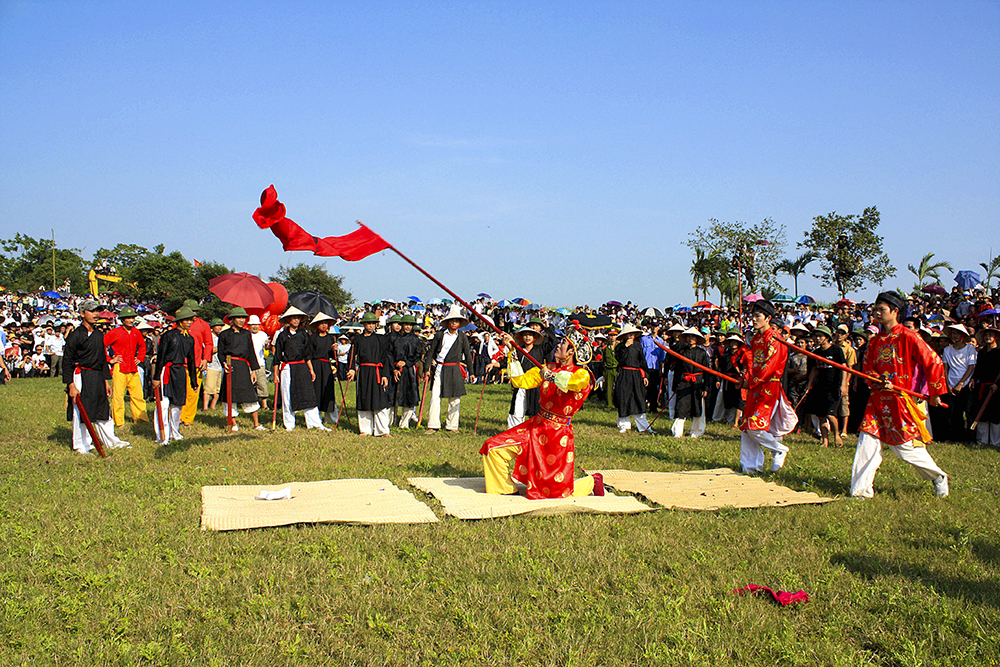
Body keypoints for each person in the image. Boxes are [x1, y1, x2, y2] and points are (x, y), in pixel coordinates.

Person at [480, 328, 605, 499]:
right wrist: (512, 351)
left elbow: (570, 384)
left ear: (571, 352)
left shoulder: (581, 374)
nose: (558, 346)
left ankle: (592, 482)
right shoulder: (548, 368)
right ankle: (506, 490)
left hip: (557, 435)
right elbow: (520, 381)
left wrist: (549, 376)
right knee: (493, 447)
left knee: (556, 492)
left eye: (563, 344)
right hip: (536, 426)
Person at [850, 291, 949, 499]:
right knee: (866, 441)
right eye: (875, 309)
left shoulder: (908, 336)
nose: (876, 313)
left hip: (898, 400)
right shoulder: (875, 341)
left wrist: (935, 393)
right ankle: (860, 491)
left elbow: (933, 361)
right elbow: (867, 367)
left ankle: (938, 476)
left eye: (881, 309)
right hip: (876, 400)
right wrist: (877, 379)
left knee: (904, 448)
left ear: (895, 311)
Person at [63, 300, 130, 453]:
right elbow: (67, 361)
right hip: (81, 375)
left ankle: (111, 440)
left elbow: (102, 359)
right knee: (81, 410)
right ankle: (81, 444)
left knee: (102, 408)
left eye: (97, 311)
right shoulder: (75, 336)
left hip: (97, 375)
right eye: (91, 311)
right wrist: (71, 385)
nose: (95, 314)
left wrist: (106, 381)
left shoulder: (99, 334)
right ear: (82, 314)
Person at [739, 301, 797, 474]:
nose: (754, 319)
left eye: (758, 316)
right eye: (753, 316)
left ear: (768, 318)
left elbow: (769, 366)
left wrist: (752, 380)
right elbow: (752, 363)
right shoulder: (756, 339)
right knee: (746, 429)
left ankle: (777, 448)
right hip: (755, 387)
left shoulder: (775, 340)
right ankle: (751, 467)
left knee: (754, 426)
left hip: (768, 388)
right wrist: (746, 378)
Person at [274, 306, 327, 431]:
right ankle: (289, 423)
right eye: (294, 318)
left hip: (302, 366)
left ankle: (314, 423)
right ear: (288, 320)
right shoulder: (282, 336)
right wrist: (276, 374)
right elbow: (277, 356)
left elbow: (307, 354)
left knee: (308, 394)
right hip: (287, 367)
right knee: (287, 395)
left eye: (298, 318)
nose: (296, 320)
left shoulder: (303, 334)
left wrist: (311, 370)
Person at [152, 307, 199, 445]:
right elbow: (161, 357)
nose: (189, 322)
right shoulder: (168, 335)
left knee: (178, 404)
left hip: (180, 371)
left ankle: (175, 432)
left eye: (191, 320)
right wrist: (156, 377)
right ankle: (162, 435)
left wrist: (194, 381)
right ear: (180, 321)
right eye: (186, 320)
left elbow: (191, 361)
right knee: (163, 403)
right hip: (167, 370)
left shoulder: (190, 339)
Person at [423, 305, 472, 434]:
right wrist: (427, 368)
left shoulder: (462, 337)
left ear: (460, 322)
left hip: (455, 368)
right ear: (448, 322)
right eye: (452, 320)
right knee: (435, 396)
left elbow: (468, 355)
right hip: (440, 368)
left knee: (455, 398)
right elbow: (431, 353)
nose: (454, 323)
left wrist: (472, 372)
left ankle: (452, 425)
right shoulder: (439, 335)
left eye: (456, 320)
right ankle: (433, 425)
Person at [216, 307, 265, 431]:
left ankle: (256, 424)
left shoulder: (247, 334)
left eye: (243, 318)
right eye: (239, 317)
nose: (241, 320)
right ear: (232, 319)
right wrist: (224, 364)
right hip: (230, 366)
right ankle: (233, 424)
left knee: (249, 394)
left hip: (243, 367)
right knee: (230, 395)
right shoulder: (224, 334)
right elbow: (220, 353)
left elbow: (251, 352)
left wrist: (253, 370)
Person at [347, 312, 392, 436]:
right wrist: (351, 369)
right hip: (364, 372)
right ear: (364, 324)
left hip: (377, 372)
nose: (371, 326)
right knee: (364, 398)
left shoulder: (381, 339)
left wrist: (385, 375)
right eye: (368, 323)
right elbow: (351, 355)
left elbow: (385, 358)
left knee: (380, 401)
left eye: (373, 323)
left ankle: (382, 430)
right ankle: (365, 430)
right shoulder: (357, 340)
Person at [801, 326, 846, 448]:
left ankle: (836, 435)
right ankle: (825, 440)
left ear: (827, 338)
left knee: (830, 414)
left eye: (820, 336)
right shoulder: (816, 353)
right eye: (815, 336)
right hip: (820, 387)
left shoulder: (836, 350)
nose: (817, 338)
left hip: (834, 387)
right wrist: (809, 385)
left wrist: (843, 385)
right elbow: (815, 370)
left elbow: (844, 368)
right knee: (821, 416)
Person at [103, 306, 148, 427]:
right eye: (128, 318)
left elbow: (142, 347)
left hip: (133, 367)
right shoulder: (115, 333)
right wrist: (110, 360)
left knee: (138, 395)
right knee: (118, 396)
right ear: (122, 320)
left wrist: (140, 358)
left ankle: (141, 418)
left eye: (133, 317)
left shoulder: (136, 332)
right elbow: (101, 346)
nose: (131, 320)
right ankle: (119, 421)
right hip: (120, 367)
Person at [612, 323, 653, 434]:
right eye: (628, 334)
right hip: (624, 373)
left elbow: (642, 362)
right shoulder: (620, 347)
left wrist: (645, 375)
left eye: (632, 334)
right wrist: (626, 346)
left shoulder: (638, 346)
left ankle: (643, 426)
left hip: (636, 374)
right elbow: (620, 359)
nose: (630, 336)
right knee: (623, 398)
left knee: (638, 398)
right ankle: (624, 425)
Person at [670, 328, 710, 438]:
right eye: (689, 336)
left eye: (693, 337)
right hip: (684, 381)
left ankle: (696, 432)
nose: (690, 339)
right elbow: (678, 370)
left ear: (697, 339)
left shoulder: (702, 353)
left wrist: (706, 387)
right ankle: (677, 432)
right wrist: (675, 385)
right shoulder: (682, 352)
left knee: (697, 407)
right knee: (681, 406)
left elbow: (707, 372)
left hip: (697, 383)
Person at [179, 300, 213, 427]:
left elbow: (209, 344)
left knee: (193, 392)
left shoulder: (203, 325)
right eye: (191, 311)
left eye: (195, 312)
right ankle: (178, 416)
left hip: (197, 363)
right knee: (179, 391)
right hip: (180, 363)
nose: (193, 315)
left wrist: (205, 359)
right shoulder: (178, 325)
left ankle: (188, 418)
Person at [942, 323, 977, 442]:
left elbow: (971, 367)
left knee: (968, 411)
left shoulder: (970, 349)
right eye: (954, 333)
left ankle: (971, 437)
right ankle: (956, 436)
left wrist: (961, 383)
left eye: (958, 333)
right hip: (951, 382)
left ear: (962, 335)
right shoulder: (947, 349)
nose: (955, 336)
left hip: (965, 383)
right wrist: (948, 385)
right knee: (953, 412)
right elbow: (945, 368)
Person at [506, 326, 544, 428]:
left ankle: (535, 432)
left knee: (536, 411)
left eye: (530, 334)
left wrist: (548, 327)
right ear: (522, 337)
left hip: (535, 384)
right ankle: (514, 433)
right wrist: (494, 364)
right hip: (521, 384)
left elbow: (553, 343)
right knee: (517, 410)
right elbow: (511, 362)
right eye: (525, 334)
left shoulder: (540, 350)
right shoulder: (518, 351)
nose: (528, 337)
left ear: (534, 337)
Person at [392, 314, 423, 428]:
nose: (408, 327)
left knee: (409, 397)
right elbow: (389, 354)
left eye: (410, 325)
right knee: (393, 396)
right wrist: (394, 367)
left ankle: (404, 423)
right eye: (406, 324)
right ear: (402, 325)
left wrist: (406, 362)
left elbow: (418, 355)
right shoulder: (394, 338)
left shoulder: (415, 340)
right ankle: (391, 421)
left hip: (409, 370)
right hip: (395, 370)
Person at [309, 311, 339, 426]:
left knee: (328, 391)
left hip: (326, 366)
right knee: (316, 390)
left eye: (326, 323)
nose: (324, 325)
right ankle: (316, 418)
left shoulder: (331, 339)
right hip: (316, 365)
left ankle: (331, 418)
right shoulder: (313, 338)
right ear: (317, 325)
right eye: (321, 323)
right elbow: (310, 354)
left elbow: (332, 356)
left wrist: (334, 350)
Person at [971, 324, 1000, 447]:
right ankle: (982, 441)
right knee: (982, 415)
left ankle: (995, 443)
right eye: (986, 334)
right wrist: (973, 379)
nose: (988, 336)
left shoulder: (999, 352)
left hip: (995, 388)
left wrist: (997, 384)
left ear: (996, 337)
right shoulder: (982, 352)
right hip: (982, 387)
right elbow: (978, 369)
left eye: (991, 334)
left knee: (995, 416)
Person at [248, 315, 270, 411]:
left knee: (262, 384)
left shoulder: (263, 335)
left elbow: (266, 348)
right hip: (249, 363)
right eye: (253, 325)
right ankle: (250, 403)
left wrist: (266, 345)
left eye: (256, 324)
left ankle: (264, 405)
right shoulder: (247, 335)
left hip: (260, 363)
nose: (255, 327)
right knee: (249, 384)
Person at [202, 318, 225, 411]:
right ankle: (205, 407)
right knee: (208, 388)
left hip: (220, 366)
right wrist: (220, 347)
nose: (220, 327)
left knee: (217, 389)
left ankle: (213, 406)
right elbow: (208, 351)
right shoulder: (210, 337)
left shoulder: (221, 337)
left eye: (221, 326)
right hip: (211, 365)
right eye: (217, 325)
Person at [602, 329, 619, 408]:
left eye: (614, 335)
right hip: (608, 369)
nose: (612, 337)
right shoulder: (605, 348)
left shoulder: (619, 346)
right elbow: (603, 360)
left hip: (617, 369)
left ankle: (618, 404)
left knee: (619, 387)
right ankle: (609, 405)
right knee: (608, 387)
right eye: (611, 335)